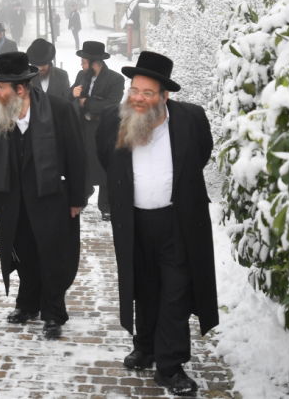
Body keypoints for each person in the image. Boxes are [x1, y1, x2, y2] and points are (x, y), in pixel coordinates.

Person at [96, 51, 217, 397]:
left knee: (175, 291)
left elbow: (200, 156)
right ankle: (146, 345)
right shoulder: (112, 120)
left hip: (177, 222)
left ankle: (170, 364)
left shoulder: (191, 119)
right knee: (143, 288)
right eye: (135, 89)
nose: (137, 98)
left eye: (148, 93)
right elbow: (107, 159)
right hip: (134, 222)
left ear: (165, 96)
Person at [0, 51, 86, 341]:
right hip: (12, 197)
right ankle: (27, 304)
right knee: (23, 253)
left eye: (1, 86)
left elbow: (76, 155)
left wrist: (77, 199)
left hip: (51, 197)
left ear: (21, 89)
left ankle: (53, 312)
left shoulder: (59, 110)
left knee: (52, 255)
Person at [71, 40, 124, 221]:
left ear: (96, 63)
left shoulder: (116, 79)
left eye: (84, 61)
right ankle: (83, 196)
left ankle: (106, 205)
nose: (81, 64)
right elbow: (72, 97)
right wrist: (74, 95)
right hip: (83, 129)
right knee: (82, 163)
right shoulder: (81, 75)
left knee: (104, 167)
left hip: (104, 130)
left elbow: (111, 104)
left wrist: (86, 102)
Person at [25, 38, 72, 102]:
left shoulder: (62, 76)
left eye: (43, 64)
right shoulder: (26, 78)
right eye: (37, 65)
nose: (40, 68)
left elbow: (67, 100)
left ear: (49, 62)